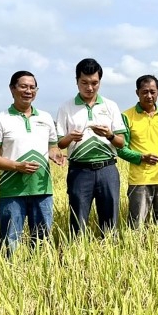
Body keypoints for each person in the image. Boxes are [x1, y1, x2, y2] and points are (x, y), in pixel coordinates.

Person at [0, 71, 63, 252]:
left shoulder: (45, 118)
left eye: (32, 87)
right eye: (23, 86)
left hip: (42, 189)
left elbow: (53, 147)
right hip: (12, 190)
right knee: (10, 242)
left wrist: (55, 154)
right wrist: (16, 166)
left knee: (43, 240)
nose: (28, 90)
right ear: (12, 89)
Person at [56, 58, 127, 236]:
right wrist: (70, 137)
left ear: (100, 82)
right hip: (79, 171)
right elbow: (59, 143)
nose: (90, 88)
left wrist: (109, 135)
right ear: (77, 82)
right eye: (84, 83)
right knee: (77, 220)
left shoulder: (110, 106)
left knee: (110, 221)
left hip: (107, 169)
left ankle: (109, 254)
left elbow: (121, 142)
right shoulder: (66, 107)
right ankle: (77, 255)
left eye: (94, 83)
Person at [118, 75, 158, 228]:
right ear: (137, 92)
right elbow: (121, 149)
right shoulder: (126, 116)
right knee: (136, 225)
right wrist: (142, 157)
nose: (149, 96)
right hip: (140, 180)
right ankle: (136, 251)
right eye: (145, 92)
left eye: (153, 91)